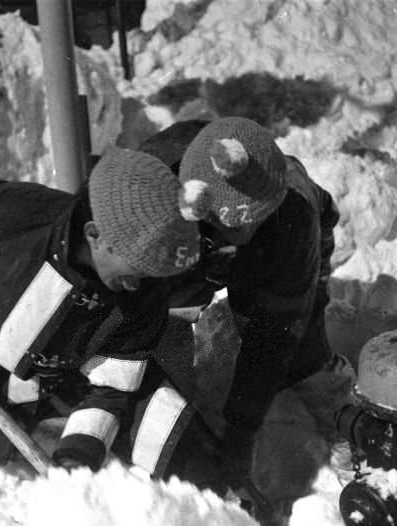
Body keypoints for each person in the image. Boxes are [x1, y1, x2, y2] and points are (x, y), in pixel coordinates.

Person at [0, 148, 201, 473]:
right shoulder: (10, 213)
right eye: (132, 274)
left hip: (70, 380)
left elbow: (111, 387)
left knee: (169, 436)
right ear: (95, 236)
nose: (137, 287)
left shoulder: (145, 295)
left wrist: (78, 456)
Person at [138, 116, 343, 499]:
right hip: (191, 228)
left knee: (298, 346)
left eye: (245, 223)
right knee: (160, 320)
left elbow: (274, 334)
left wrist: (241, 433)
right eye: (224, 224)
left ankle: (336, 418)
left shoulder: (293, 218)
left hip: (282, 243)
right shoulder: (151, 185)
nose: (235, 236)